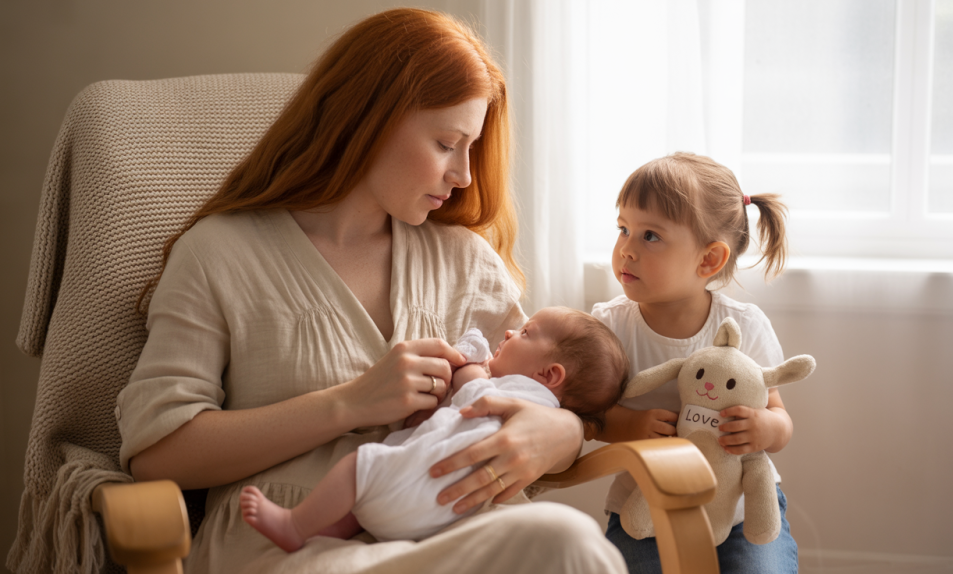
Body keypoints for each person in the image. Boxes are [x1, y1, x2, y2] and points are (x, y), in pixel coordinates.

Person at [116, 8, 627, 574]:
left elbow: (546, 384)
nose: (463, 175)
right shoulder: (220, 254)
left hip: (455, 538)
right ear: (368, 119)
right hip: (291, 550)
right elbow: (157, 455)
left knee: (566, 536)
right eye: (445, 143)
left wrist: (561, 430)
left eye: (471, 149)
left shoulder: (463, 259)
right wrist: (349, 403)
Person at [240, 307, 629, 550]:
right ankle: (334, 531)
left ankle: (297, 524)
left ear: (548, 374)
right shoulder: (531, 393)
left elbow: (472, 391)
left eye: (525, 332)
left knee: (359, 465)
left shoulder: (523, 391)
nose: (510, 332)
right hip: (443, 516)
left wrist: (472, 366)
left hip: (411, 489)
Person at [590, 152, 799, 574]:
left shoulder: (743, 325)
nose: (626, 249)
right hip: (646, 506)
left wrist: (765, 429)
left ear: (708, 260)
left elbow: (780, 419)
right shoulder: (609, 326)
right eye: (623, 229)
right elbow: (588, 417)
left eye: (650, 236)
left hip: (741, 510)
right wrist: (630, 425)